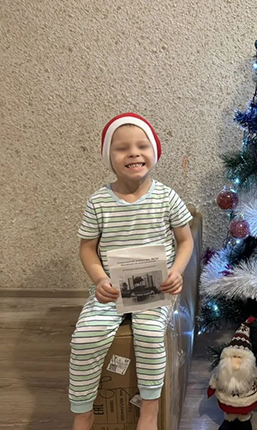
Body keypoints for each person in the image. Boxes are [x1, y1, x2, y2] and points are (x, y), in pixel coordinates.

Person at [68, 113, 194, 430]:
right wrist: (100, 279)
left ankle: (149, 409)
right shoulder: (98, 202)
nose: (134, 153)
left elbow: (185, 240)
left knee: (149, 335)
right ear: (108, 157)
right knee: (85, 337)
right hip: (112, 289)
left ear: (154, 152)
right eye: (122, 148)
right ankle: (83, 411)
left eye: (142, 146)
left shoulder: (166, 197)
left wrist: (176, 272)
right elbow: (87, 248)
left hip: (155, 289)